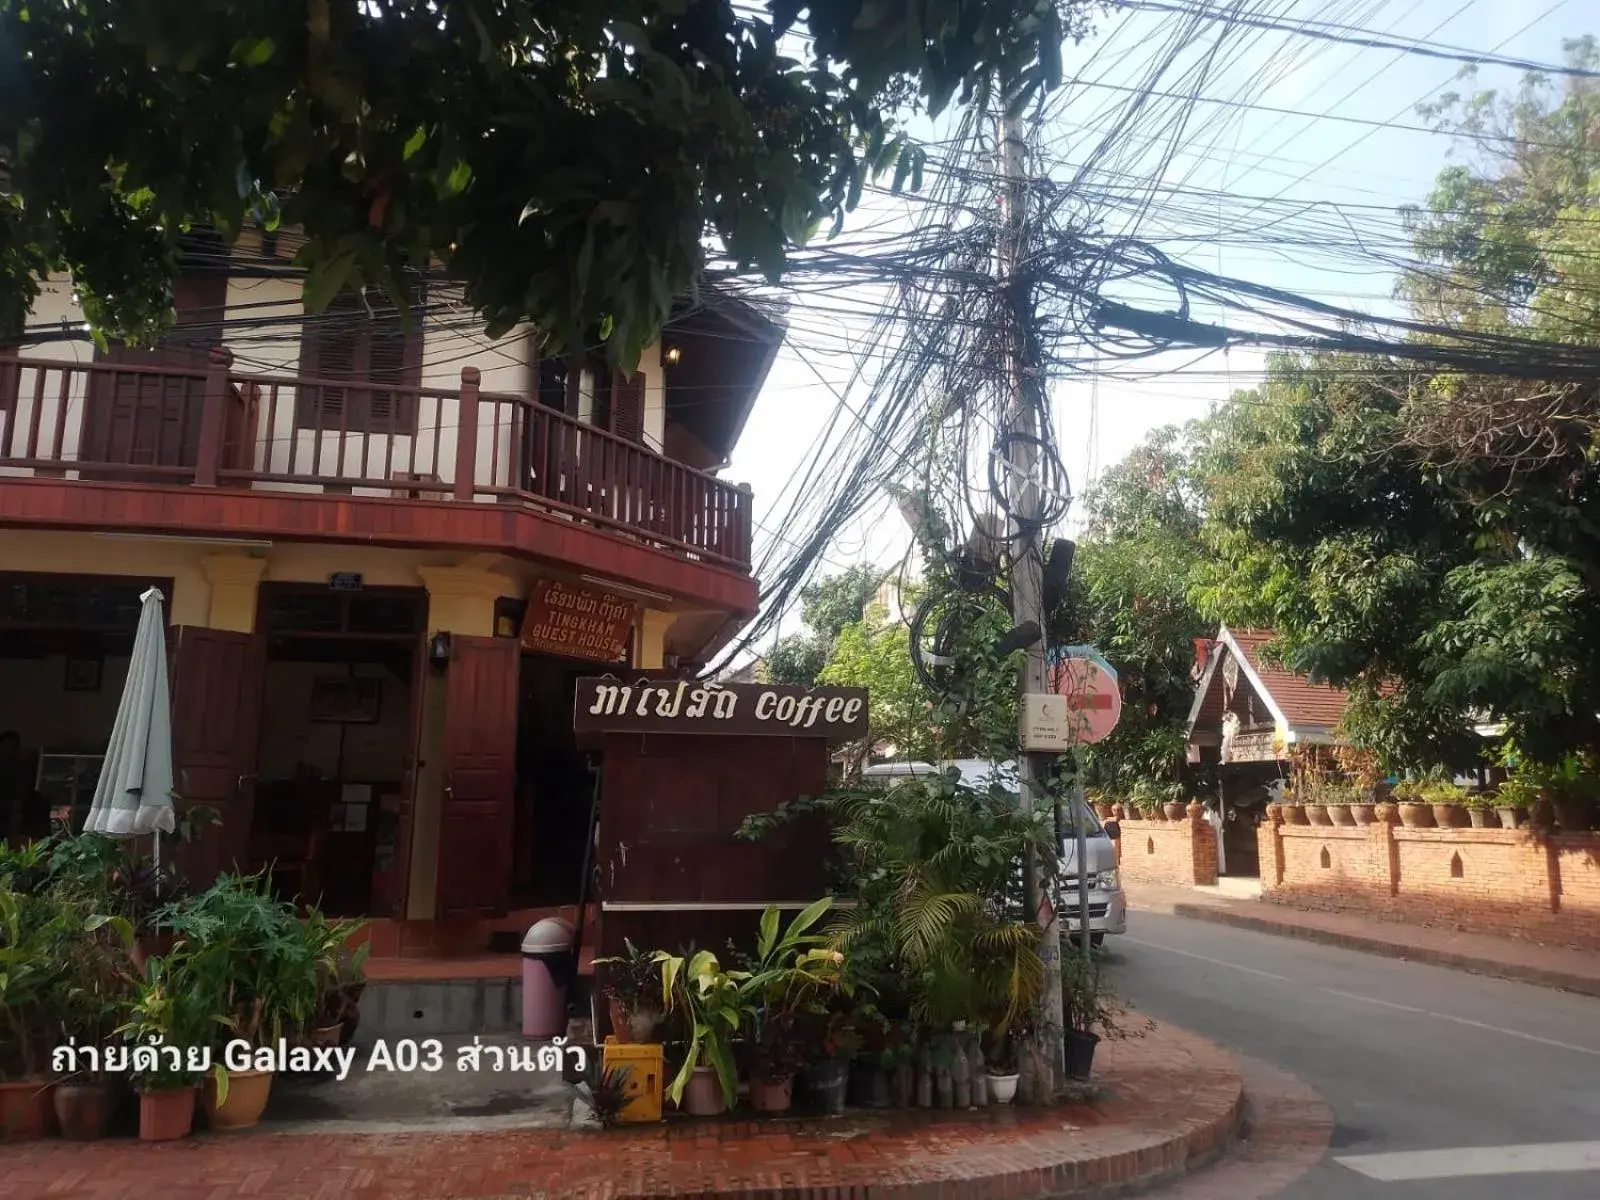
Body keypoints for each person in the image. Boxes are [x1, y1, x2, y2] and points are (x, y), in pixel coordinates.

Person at [0, 731, 22, 844]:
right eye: (7, 745)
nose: (9, 750)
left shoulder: (17, 766)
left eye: (13, 746)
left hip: (8, 807)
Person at [1203, 799, 1226, 876]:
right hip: (1207, 836)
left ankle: (1219, 870)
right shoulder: (1205, 814)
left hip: (1215, 836)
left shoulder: (1213, 814)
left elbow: (1216, 824)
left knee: (1218, 852)